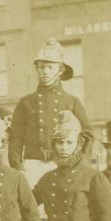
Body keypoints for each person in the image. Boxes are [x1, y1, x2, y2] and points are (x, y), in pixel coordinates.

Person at [9, 38, 94, 187]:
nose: (44, 72)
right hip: (31, 167)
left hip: (62, 165)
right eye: (41, 67)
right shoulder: (25, 102)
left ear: (60, 70)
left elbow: (88, 135)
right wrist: (18, 168)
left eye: (50, 67)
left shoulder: (72, 102)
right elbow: (15, 138)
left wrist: (76, 163)